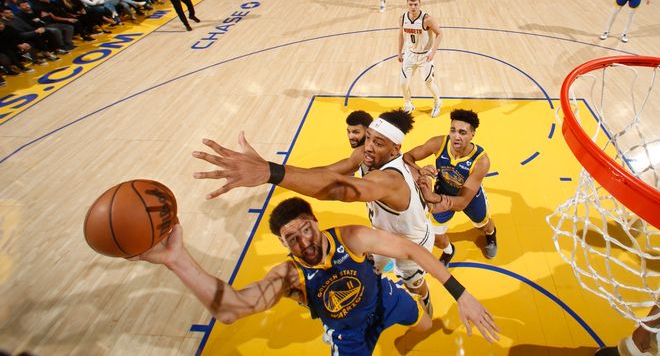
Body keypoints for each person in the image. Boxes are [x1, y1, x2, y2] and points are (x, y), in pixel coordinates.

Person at [134, 197, 500, 355]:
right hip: (348, 333)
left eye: (305, 230)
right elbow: (233, 308)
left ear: (316, 223)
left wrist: (460, 293)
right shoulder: (290, 275)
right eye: (291, 239)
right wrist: (176, 259)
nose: (303, 242)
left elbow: (411, 250)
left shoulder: (351, 237)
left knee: (423, 320)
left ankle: (405, 344)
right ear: (283, 243)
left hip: (384, 300)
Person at [193, 109, 437, 315]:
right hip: (384, 232)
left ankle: (425, 301)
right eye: (369, 138)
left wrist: (271, 172)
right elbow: (326, 173)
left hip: (413, 241)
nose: (369, 147)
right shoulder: (364, 155)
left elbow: (337, 189)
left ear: (395, 150)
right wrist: (270, 169)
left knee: (413, 283)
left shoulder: (390, 180)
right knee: (368, 270)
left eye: (378, 143)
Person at [403, 109, 497, 266]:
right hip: (443, 191)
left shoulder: (481, 161)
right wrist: (419, 170)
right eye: (453, 130)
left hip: (469, 198)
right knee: (436, 236)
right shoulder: (438, 143)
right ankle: (449, 250)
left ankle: (492, 235)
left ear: (472, 134)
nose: (456, 136)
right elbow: (407, 157)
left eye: (462, 132)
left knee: (483, 224)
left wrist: (434, 198)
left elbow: (461, 203)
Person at [398, 0, 442, 117]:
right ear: (407, 4)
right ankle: (408, 104)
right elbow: (401, 35)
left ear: (420, 4)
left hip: (424, 56)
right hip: (410, 54)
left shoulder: (427, 19)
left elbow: (439, 34)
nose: (413, 7)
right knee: (403, 82)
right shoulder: (402, 18)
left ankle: (438, 102)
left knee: (428, 82)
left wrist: (433, 52)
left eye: (415, 4)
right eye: (410, 4)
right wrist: (399, 52)